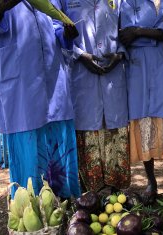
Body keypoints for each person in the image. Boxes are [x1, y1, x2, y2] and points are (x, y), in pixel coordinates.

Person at [0, 0, 81, 197]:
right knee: (29, 161)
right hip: (19, 86)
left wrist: (65, 34)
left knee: (60, 149)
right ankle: (34, 218)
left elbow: (54, 26)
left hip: (54, 79)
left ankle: (69, 212)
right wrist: (1, 8)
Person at [53, 0, 131, 193]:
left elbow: (125, 27)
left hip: (113, 75)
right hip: (81, 76)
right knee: (89, 129)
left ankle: (117, 192)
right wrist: (79, 55)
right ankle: (92, 194)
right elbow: (56, 31)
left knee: (114, 127)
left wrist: (120, 53)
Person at [119, 0, 163, 204]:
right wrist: (155, 34)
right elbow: (124, 35)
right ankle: (151, 182)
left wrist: (140, 33)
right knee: (144, 121)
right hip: (139, 67)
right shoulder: (127, 2)